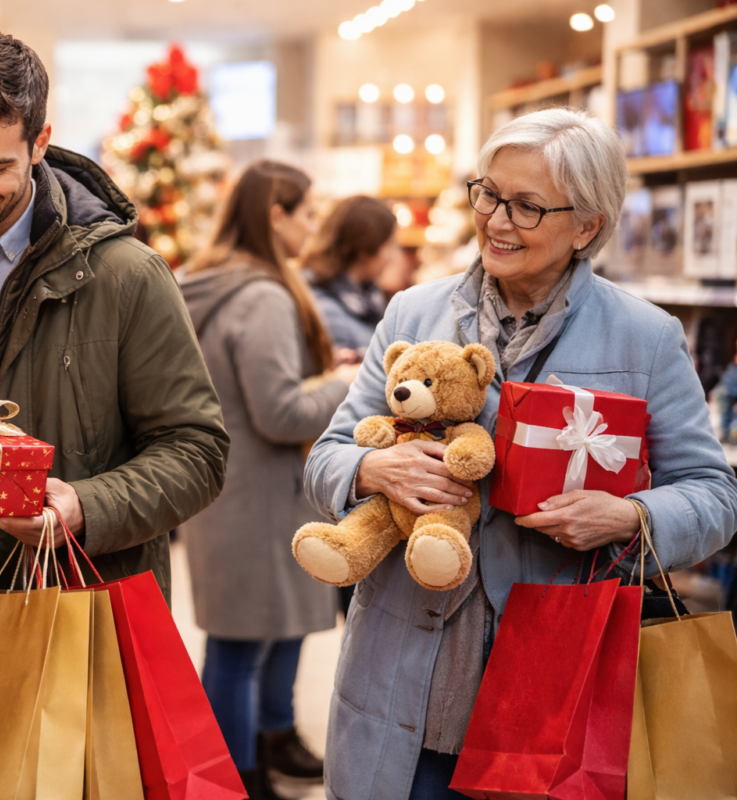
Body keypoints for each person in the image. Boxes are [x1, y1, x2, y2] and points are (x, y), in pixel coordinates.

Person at [303, 107, 737, 800]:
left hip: (548, 683)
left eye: (528, 207)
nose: (497, 221)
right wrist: (371, 467)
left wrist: (629, 515)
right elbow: (327, 455)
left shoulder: (645, 339)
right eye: (488, 194)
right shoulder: (413, 313)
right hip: (399, 677)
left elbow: (715, 494)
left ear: (588, 224)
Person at [0, 30, 229, 698]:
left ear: (40, 145)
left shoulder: (127, 276)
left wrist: (83, 506)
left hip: (69, 623)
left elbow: (198, 449)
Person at [178, 160, 353, 799]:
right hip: (256, 496)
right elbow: (281, 412)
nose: (313, 227)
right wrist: (343, 382)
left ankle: (263, 747)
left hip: (227, 490)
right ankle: (234, 778)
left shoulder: (209, 283)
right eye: (307, 213)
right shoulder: (262, 296)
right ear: (276, 216)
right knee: (238, 645)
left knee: (258, 630)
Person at [302, 195, 399, 361]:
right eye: (389, 245)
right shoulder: (325, 307)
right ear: (365, 250)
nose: (392, 256)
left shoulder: (368, 296)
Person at [715, 348, 737, 442]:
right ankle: (725, 434)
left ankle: (731, 433)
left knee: (730, 414)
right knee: (726, 413)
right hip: (728, 393)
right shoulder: (730, 367)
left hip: (731, 392)